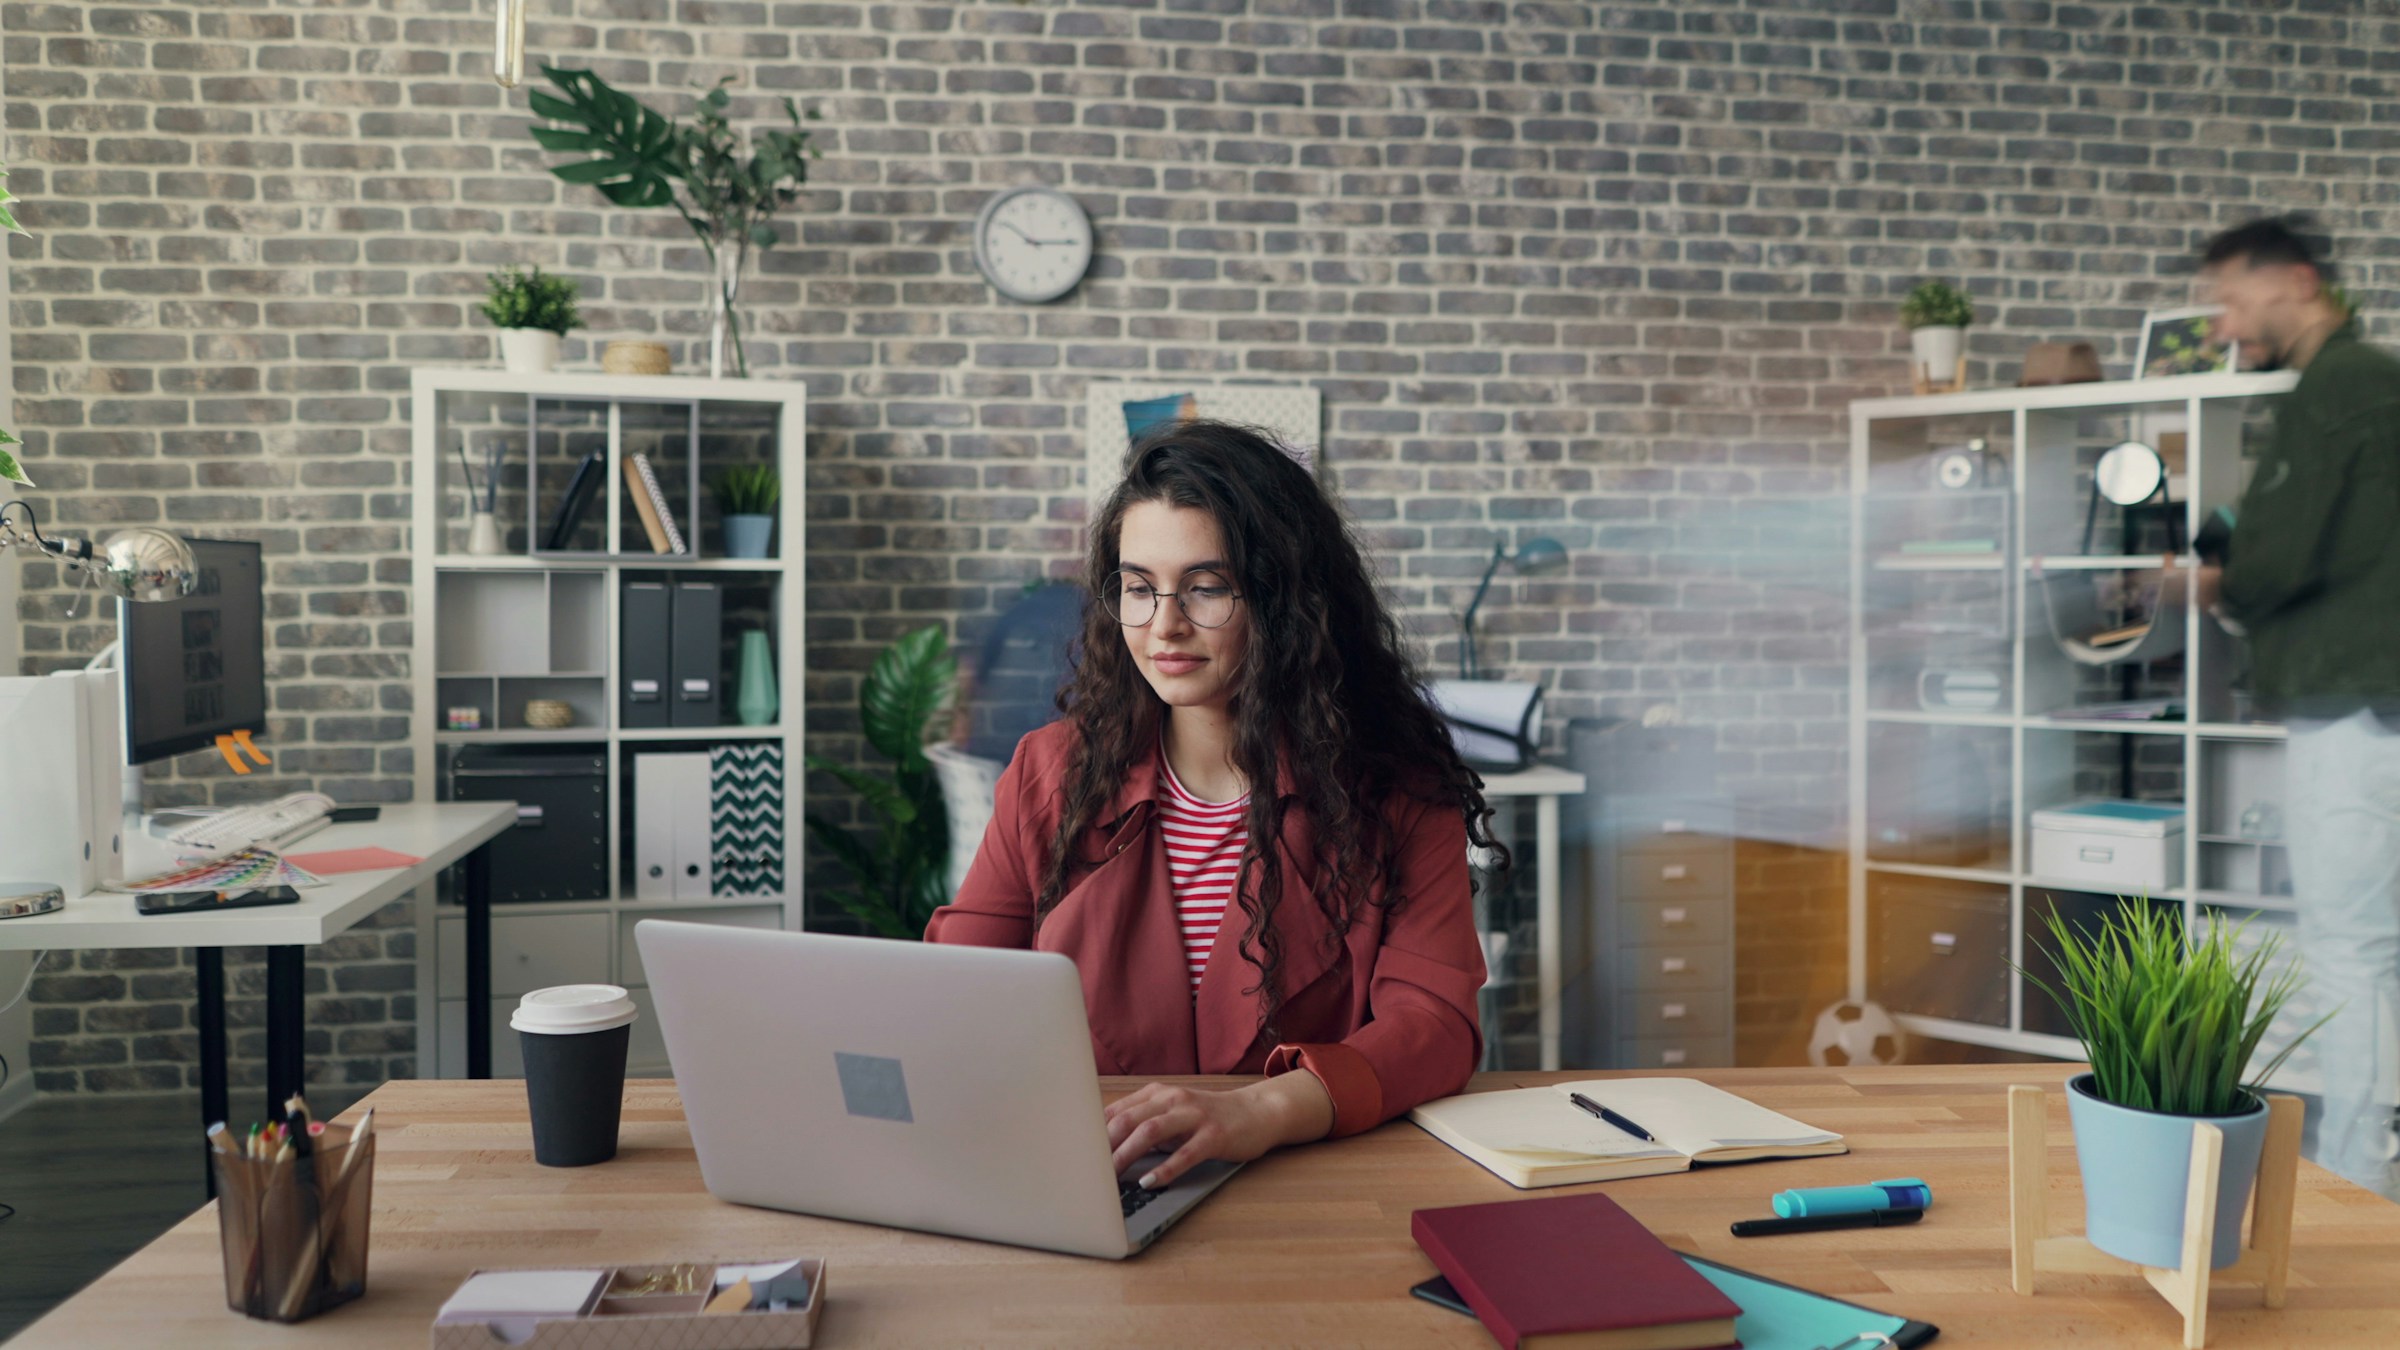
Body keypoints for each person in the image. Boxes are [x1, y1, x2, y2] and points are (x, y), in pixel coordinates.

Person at [925, 421, 1497, 1192]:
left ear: (1283, 599)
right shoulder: (1048, 773)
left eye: (1206, 586)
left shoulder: (1397, 790)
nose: (1165, 625)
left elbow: (1434, 1029)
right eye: (1138, 587)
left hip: (1311, 1191)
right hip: (1096, 1178)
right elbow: (957, 996)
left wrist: (1260, 1113)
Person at [2196, 214, 2400, 1199]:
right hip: (2379, 697)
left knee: (2350, 948)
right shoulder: (2380, 385)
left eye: (2233, 299)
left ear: (2297, 282)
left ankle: (2363, 1179)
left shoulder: (2339, 387)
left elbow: (2275, 557)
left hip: (2355, 708)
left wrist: (2212, 579)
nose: (2224, 323)